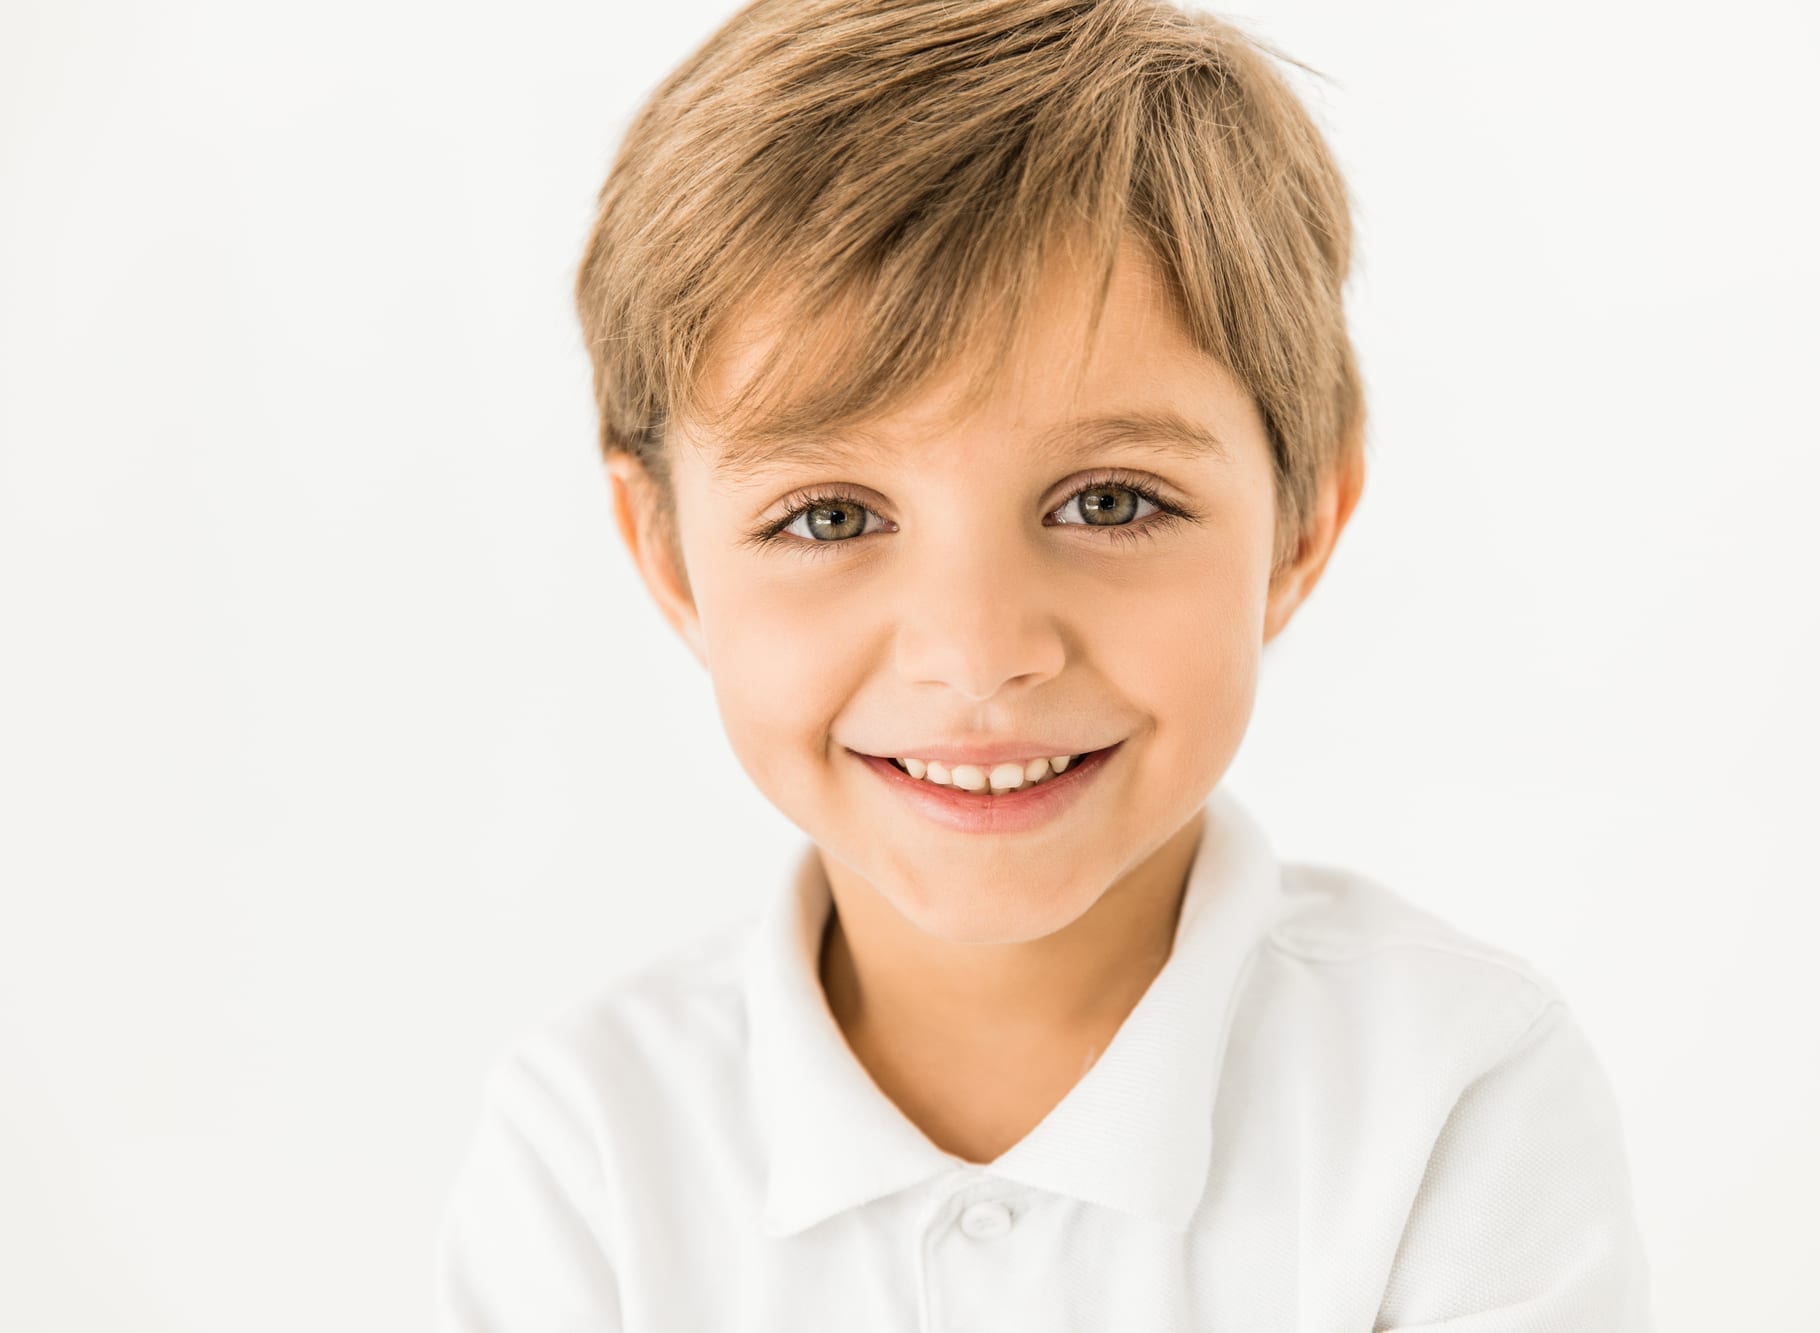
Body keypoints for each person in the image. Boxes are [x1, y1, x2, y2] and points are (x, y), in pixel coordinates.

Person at [434, 0, 1654, 1327]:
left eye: (1112, 502)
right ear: (667, 553)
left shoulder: (1450, 1097)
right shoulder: (592, 1159)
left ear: (1302, 521)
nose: (978, 654)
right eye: (831, 517)